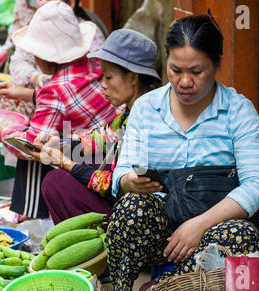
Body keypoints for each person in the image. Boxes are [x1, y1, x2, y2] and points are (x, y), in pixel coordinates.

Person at [105, 14, 259, 291]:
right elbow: (121, 172)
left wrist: (198, 226)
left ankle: (161, 289)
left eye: (196, 72)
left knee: (242, 237)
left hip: (214, 231)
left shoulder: (238, 110)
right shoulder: (146, 108)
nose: (184, 82)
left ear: (218, 63)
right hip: (160, 238)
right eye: (175, 69)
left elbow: (257, 185)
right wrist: (130, 182)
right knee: (131, 208)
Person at [0, 1, 121, 219]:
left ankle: (32, 215)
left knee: (32, 143)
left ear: (45, 58)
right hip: (114, 152)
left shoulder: (54, 90)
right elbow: (73, 97)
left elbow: (31, 147)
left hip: (96, 165)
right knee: (42, 133)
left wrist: (2, 134)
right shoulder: (96, 65)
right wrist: (29, 94)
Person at [23, 29, 161, 227]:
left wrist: (65, 163)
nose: (102, 85)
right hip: (124, 197)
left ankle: (103, 248)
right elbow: (104, 136)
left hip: (140, 215)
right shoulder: (130, 112)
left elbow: (117, 184)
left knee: (56, 182)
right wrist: (62, 144)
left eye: (109, 77)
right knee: (80, 164)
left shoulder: (150, 119)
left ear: (132, 78)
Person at [0, 0, 106, 118]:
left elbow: (65, 97)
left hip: (73, 130)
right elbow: (18, 61)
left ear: (70, 3)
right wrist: (36, 77)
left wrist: (3, 133)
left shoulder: (88, 49)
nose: (39, 3)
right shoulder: (38, 27)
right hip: (53, 104)